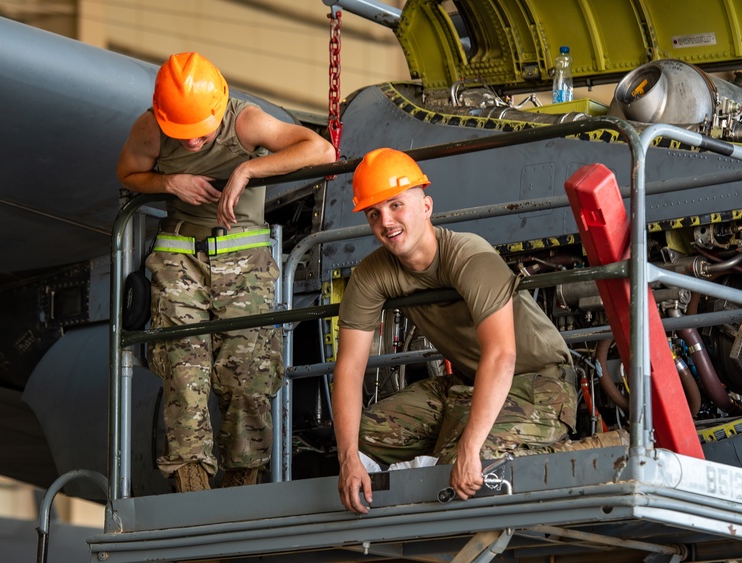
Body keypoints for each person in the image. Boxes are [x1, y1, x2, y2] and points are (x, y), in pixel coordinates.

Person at [116, 52, 335, 492]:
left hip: (245, 261)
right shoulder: (150, 128)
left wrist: (248, 169)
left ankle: (243, 483)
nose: (192, 143)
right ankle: (191, 488)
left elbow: (322, 149)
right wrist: (167, 182)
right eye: (182, 134)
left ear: (218, 109)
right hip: (180, 256)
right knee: (183, 370)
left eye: (199, 132)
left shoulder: (246, 121)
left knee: (247, 374)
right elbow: (127, 173)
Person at [332, 148, 578, 514]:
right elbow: (349, 369)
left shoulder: (469, 255)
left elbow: (502, 354)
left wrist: (469, 448)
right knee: (363, 435)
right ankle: (458, 439)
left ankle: (569, 448)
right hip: (469, 383)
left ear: (426, 206)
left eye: (396, 205)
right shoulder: (372, 273)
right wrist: (349, 458)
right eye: (374, 213)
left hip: (541, 383)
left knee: (458, 463)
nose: (386, 221)